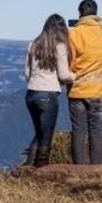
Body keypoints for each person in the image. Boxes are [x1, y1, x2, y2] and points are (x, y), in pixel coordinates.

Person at [68, 0, 102, 165]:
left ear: (79, 13)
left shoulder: (73, 33)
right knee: (96, 131)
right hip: (99, 89)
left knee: (78, 130)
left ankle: (79, 168)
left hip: (77, 89)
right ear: (96, 13)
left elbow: (70, 60)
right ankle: (96, 167)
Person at [23, 14, 74, 167]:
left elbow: (27, 73)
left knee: (39, 133)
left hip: (31, 93)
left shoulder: (33, 44)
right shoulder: (60, 47)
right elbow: (64, 75)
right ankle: (41, 169)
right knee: (46, 136)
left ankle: (28, 168)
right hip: (48, 94)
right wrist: (76, 76)